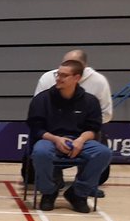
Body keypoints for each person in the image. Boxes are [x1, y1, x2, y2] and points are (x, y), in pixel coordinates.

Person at [27, 59, 110, 213]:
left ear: (77, 78)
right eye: (58, 75)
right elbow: (36, 128)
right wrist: (56, 139)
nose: (59, 78)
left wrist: (81, 140)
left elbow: (93, 128)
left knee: (103, 153)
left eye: (64, 75)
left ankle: (78, 193)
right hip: (50, 139)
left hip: (79, 140)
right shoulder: (42, 99)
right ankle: (49, 192)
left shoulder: (90, 101)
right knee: (40, 152)